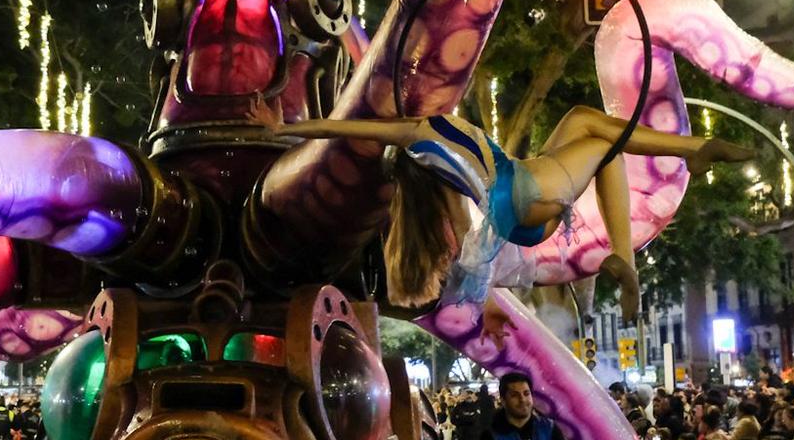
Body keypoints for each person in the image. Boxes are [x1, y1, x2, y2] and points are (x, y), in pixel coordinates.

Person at [275, 109, 749, 311]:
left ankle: (627, 251)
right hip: (528, 190)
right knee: (607, 144)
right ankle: (696, 149)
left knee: (584, 120)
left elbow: (344, 126)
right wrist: (289, 129)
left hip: (521, 207)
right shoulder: (419, 130)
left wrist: (288, 130)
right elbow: (346, 125)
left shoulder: (430, 165)